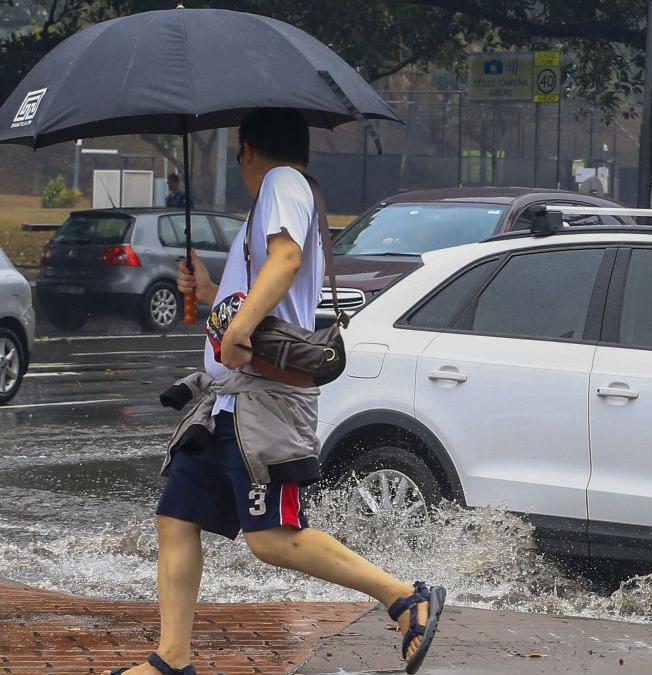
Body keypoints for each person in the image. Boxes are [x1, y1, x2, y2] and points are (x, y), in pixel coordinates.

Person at [111, 108, 444, 675]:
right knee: (177, 517)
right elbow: (261, 293)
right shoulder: (270, 199)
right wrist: (215, 292)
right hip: (225, 405)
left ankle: (404, 599)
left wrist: (237, 327)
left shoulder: (282, 183)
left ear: (246, 151)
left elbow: (286, 261)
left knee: (272, 538)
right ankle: (171, 660)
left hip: (262, 405)